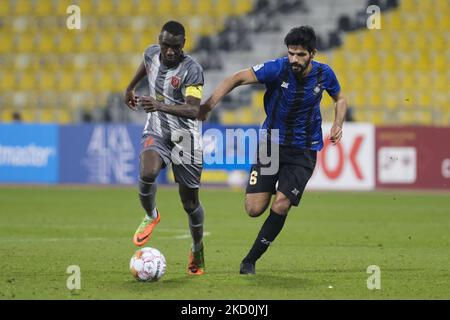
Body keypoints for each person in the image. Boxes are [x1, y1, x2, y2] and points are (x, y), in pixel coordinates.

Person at [200, 26, 347, 274]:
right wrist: (209, 104)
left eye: (300, 55)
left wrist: (337, 123)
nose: (294, 60)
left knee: (281, 204)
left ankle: (249, 261)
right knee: (254, 209)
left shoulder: (324, 74)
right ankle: (265, 192)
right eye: (291, 53)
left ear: (313, 53)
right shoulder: (277, 68)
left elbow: (340, 98)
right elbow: (235, 78)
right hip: (271, 144)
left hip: (303, 150)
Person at [124, 21, 206, 275]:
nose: (169, 52)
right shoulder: (151, 53)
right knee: (147, 173)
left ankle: (197, 247)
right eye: (165, 46)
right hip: (157, 130)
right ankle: (151, 215)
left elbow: (193, 109)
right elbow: (147, 63)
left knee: (190, 203)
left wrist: (159, 105)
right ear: (160, 42)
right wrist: (130, 87)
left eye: (175, 47)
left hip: (186, 138)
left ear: (184, 44)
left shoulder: (192, 70)